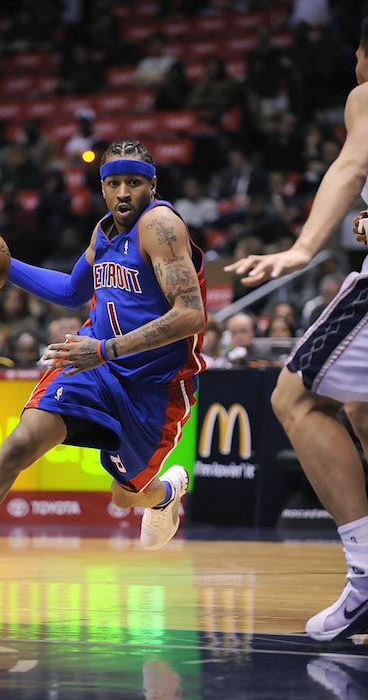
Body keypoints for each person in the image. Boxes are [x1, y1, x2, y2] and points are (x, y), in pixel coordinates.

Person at [0, 139, 207, 617]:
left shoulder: (160, 227)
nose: (124, 192)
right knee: (21, 442)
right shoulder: (103, 233)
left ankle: (166, 494)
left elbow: (191, 315)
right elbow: (70, 291)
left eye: (134, 182)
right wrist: (2, 264)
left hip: (154, 388)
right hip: (92, 368)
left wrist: (103, 349)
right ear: (102, 188)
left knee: (126, 495)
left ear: (152, 185)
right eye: (114, 183)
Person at [223, 18, 368, 642]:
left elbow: (349, 167)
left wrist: (304, 247)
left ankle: (366, 578)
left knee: (296, 395)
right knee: (361, 410)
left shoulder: (367, 93)